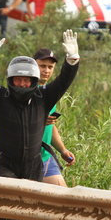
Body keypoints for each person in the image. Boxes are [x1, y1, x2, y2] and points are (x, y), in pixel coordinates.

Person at [0, 25, 79, 184]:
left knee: (32, 206)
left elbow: (63, 81)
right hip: (5, 165)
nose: (22, 84)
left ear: (33, 81)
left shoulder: (43, 98)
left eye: (26, 80)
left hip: (34, 166)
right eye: (18, 79)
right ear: (11, 80)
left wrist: (72, 61)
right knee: (11, 201)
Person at [34, 48, 76, 186]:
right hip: (26, 159)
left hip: (45, 156)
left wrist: (63, 150)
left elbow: (50, 127)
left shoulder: (49, 92)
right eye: (42, 66)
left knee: (62, 198)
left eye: (50, 67)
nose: (46, 70)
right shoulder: (23, 90)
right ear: (33, 65)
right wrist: (38, 120)